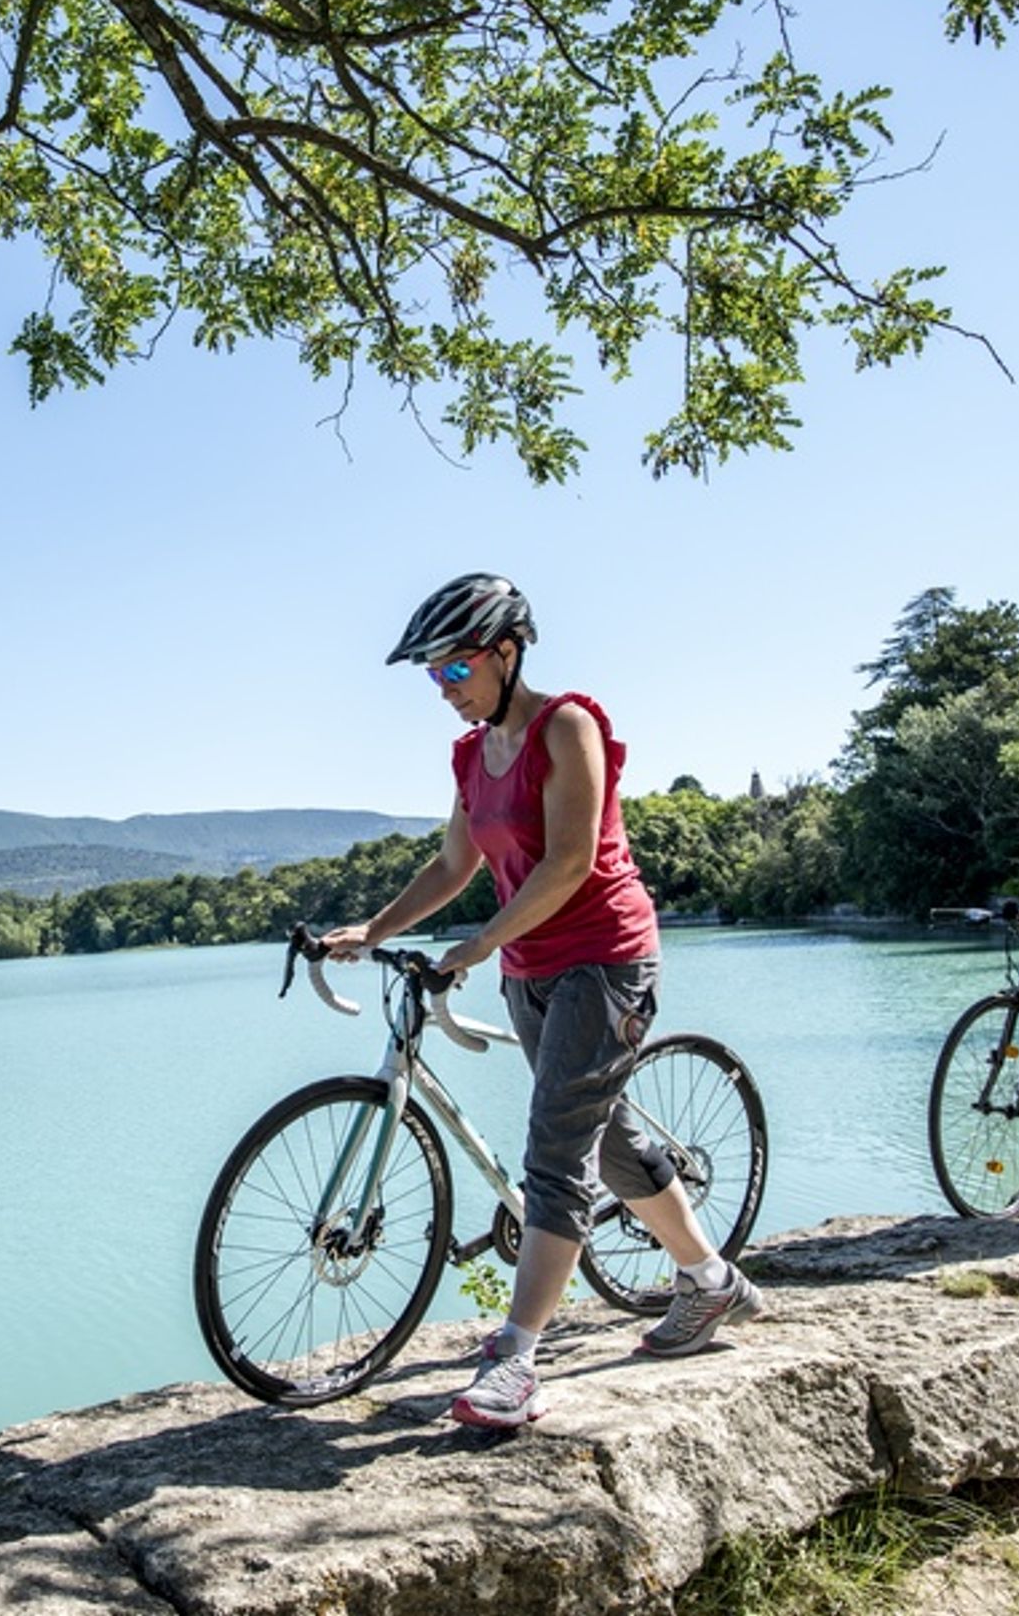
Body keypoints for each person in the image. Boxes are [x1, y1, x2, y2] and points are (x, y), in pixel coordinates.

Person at [320, 573, 765, 1429]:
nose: (444, 689)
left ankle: (516, 1359)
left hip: (605, 958)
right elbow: (454, 866)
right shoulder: (470, 756)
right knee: (609, 1137)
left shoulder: (568, 725)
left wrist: (477, 945)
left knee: (557, 1148)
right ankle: (711, 1281)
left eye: (456, 670)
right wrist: (372, 930)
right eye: (434, 675)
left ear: (506, 652)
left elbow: (569, 862)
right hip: (531, 968)